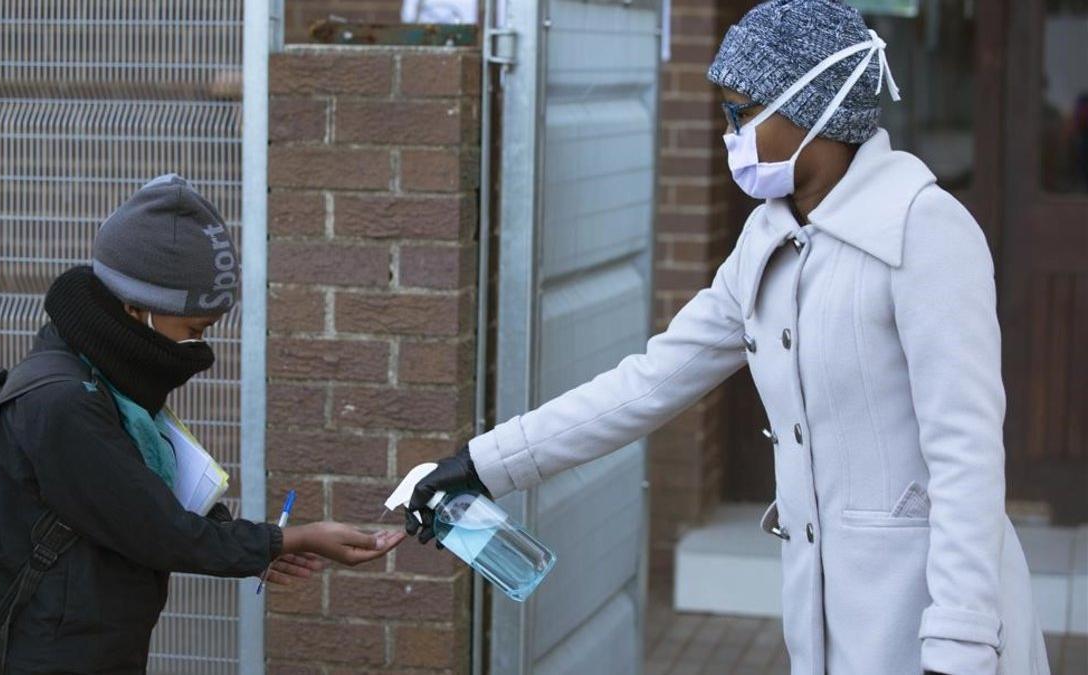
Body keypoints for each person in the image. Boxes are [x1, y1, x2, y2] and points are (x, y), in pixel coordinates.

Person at [404, 2, 1050, 674]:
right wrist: (484, 463)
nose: (729, 134)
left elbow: (966, 457)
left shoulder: (923, 230)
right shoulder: (766, 241)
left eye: (742, 113)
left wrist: (959, 646)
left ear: (813, 109)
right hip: (826, 628)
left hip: (931, 627)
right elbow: (649, 382)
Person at [0, 174, 406, 674]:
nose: (198, 349)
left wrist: (255, 546)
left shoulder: (102, 377)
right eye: (193, 330)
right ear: (138, 307)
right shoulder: (64, 402)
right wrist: (291, 539)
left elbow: (141, 499)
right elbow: (159, 528)